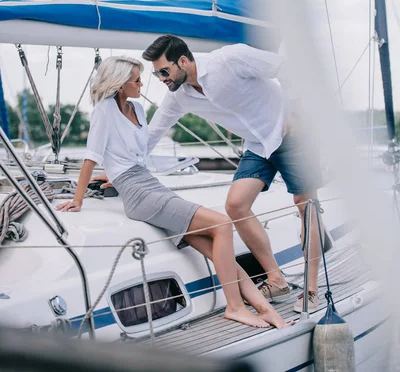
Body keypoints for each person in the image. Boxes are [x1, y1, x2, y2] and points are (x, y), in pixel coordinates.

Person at [56, 56, 290, 329]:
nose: (142, 84)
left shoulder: (138, 110)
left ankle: (263, 308)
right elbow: (92, 156)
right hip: (139, 195)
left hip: (150, 184)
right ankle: (235, 307)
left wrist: (114, 175)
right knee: (223, 224)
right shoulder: (104, 110)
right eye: (136, 80)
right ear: (120, 85)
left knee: (217, 251)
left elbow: (136, 155)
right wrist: (77, 199)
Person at [142, 35, 323, 314]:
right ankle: (276, 278)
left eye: (164, 71)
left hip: (290, 134)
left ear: (183, 60)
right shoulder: (178, 97)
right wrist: (120, 169)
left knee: (305, 205)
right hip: (258, 144)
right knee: (236, 205)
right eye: (156, 74)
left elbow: (286, 68)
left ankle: (312, 291)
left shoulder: (230, 59)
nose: (161, 78)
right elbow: (153, 132)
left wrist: (296, 113)